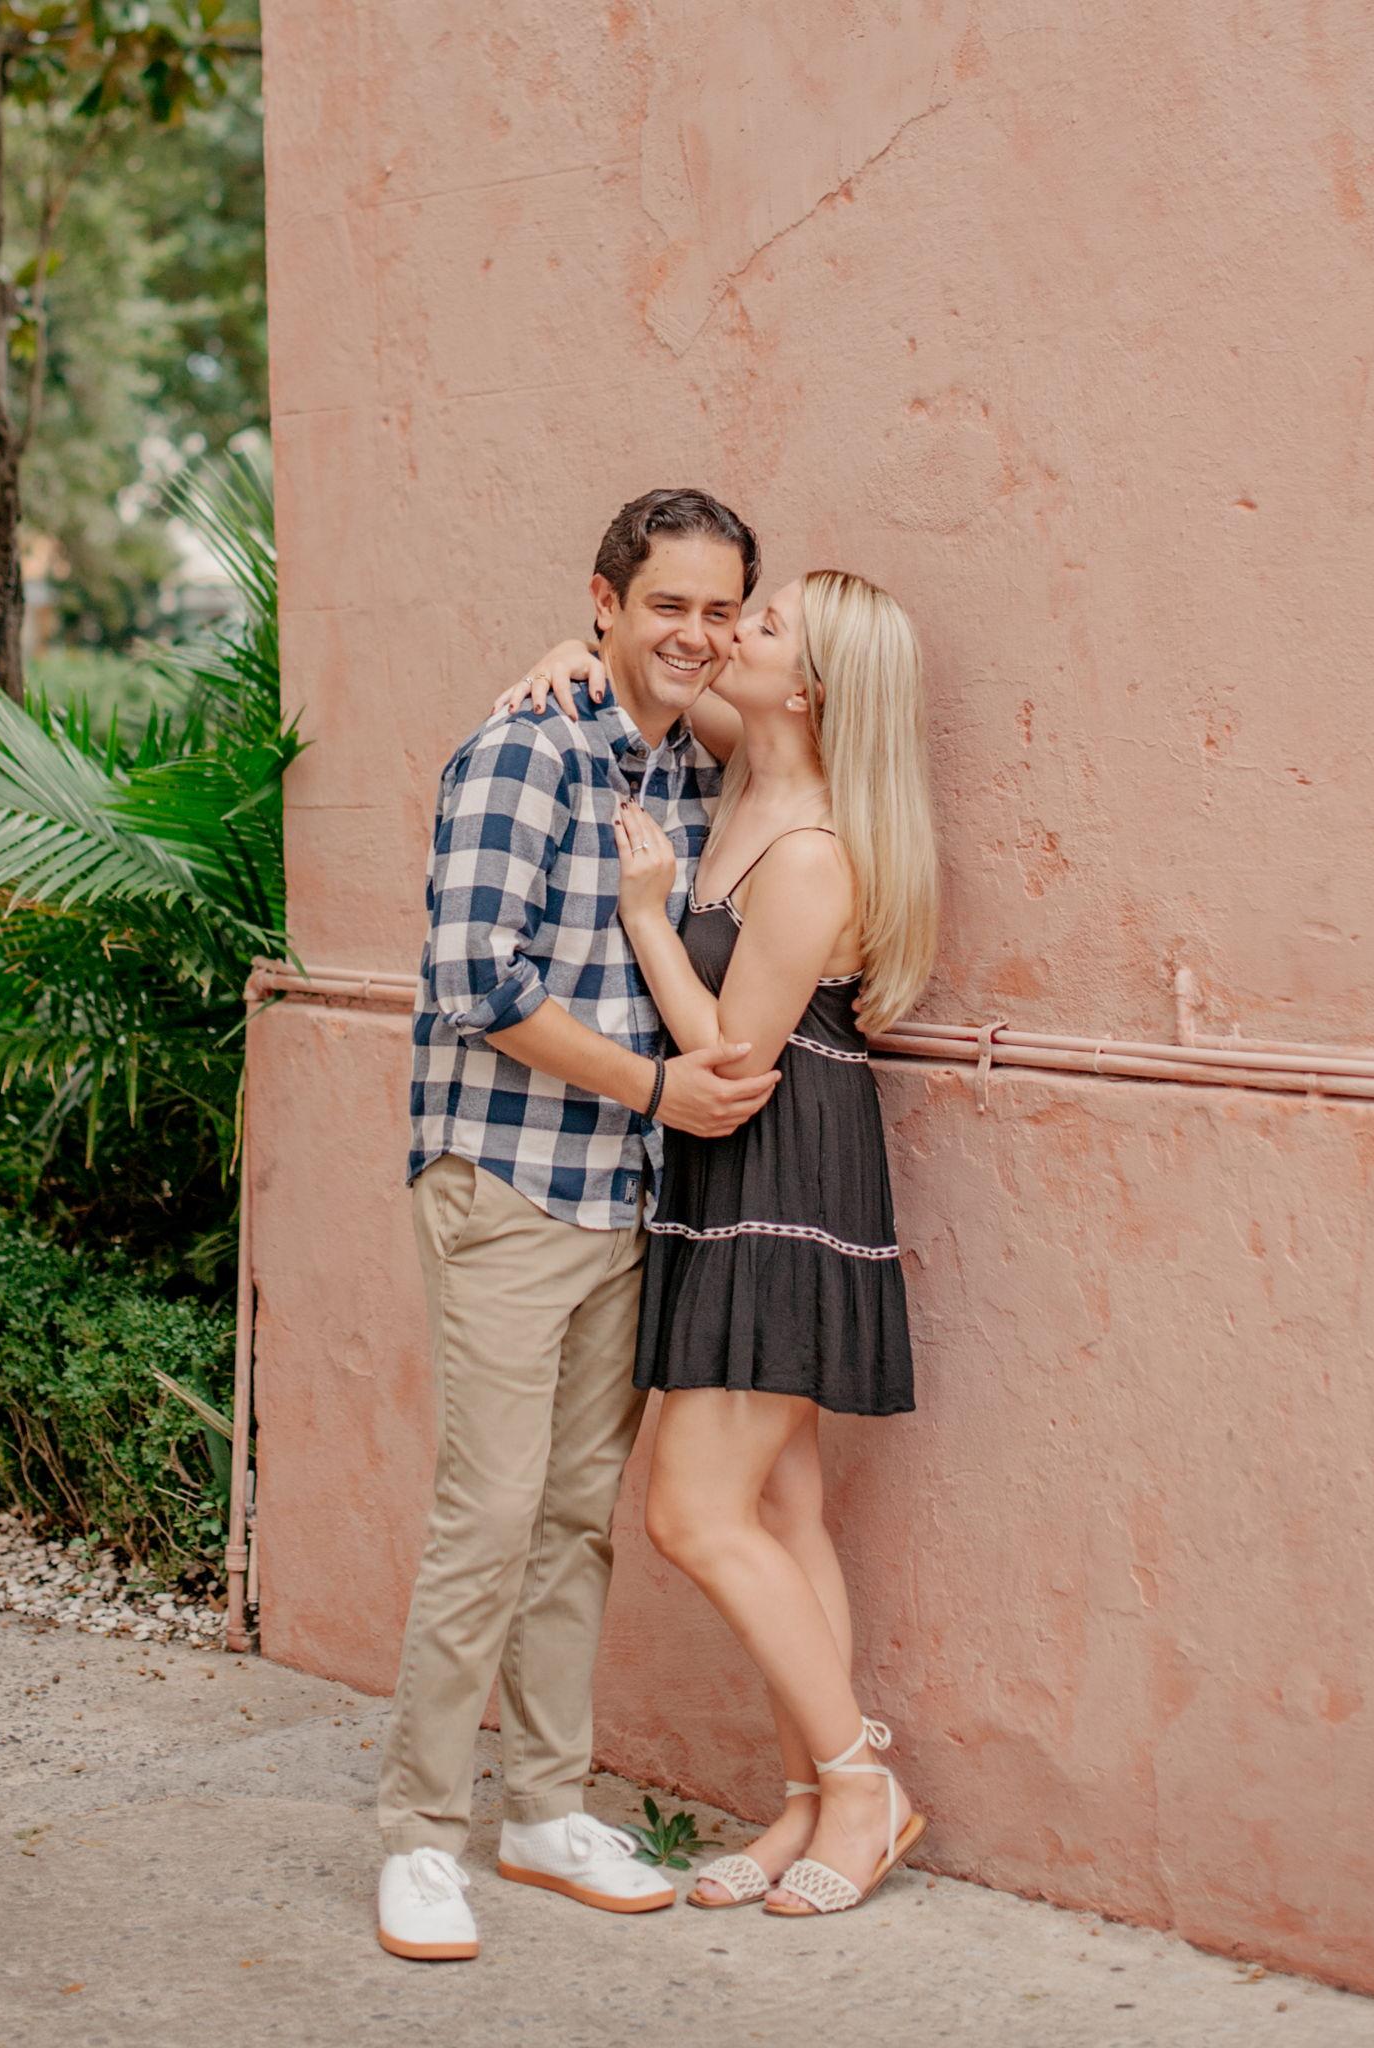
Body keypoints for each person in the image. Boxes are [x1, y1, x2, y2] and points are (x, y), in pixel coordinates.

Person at [376, 488, 782, 1963]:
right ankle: (419, 1836)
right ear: (603, 601)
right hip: (508, 1178)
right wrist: (656, 1089)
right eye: (665, 604)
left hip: (623, 1194)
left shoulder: (685, 766)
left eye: (719, 610)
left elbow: (774, 728)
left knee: (571, 1520)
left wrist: (651, 1122)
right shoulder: (523, 751)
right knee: (487, 1516)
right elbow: (475, 982)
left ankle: (544, 1811)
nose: (695, 634)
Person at [502, 567, 938, 1917]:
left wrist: (645, 914)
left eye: (761, 625)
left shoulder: (809, 853)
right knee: (784, 1509)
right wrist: (567, 653)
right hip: (724, 1179)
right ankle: (805, 1802)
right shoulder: (739, 759)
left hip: (779, 1173)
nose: (729, 632)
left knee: (692, 1511)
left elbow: (730, 1060)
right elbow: (642, 674)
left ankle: (860, 1788)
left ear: (807, 688)